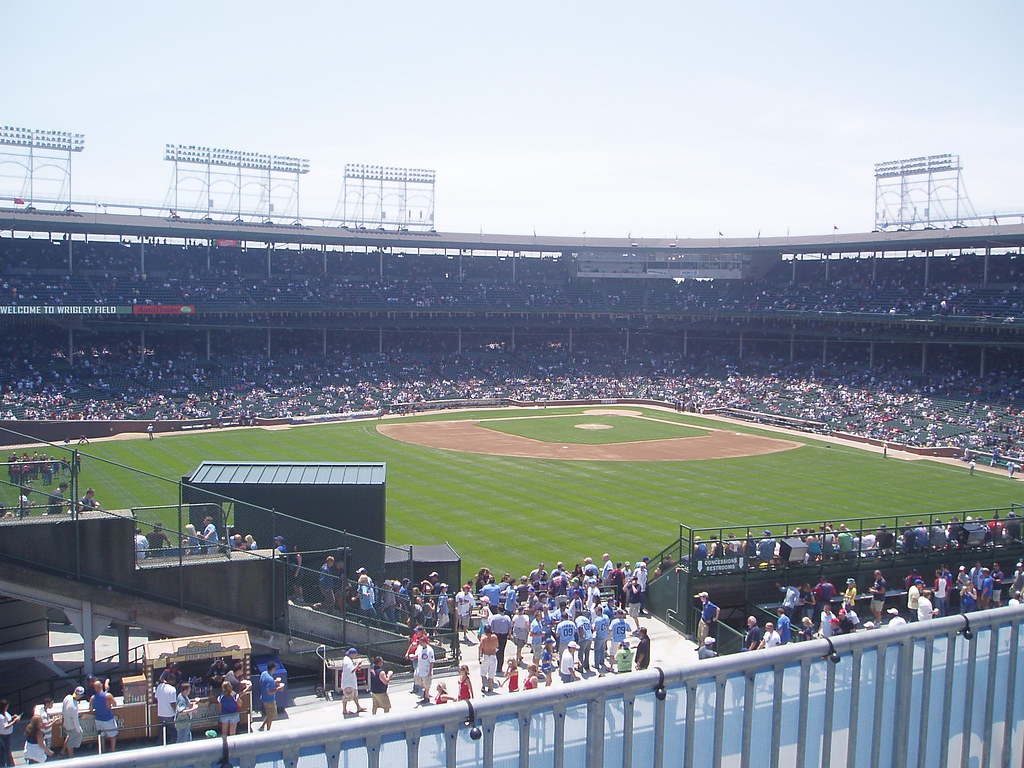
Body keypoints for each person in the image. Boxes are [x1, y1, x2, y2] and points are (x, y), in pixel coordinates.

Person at [90, 678, 118, 752]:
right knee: (112, 736)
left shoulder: (92, 698)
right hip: (108, 718)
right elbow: (114, 704)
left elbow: (90, 709)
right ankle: (113, 750)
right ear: (101, 686)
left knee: (101, 736)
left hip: (98, 719)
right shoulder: (108, 695)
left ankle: (102, 750)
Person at [258, 661, 285, 731]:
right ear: (272, 669)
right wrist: (278, 689)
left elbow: (264, 683)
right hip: (269, 700)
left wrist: (275, 682)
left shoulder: (264, 674)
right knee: (271, 716)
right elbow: (269, 692)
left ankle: (262, 726)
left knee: (269, 714)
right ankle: (268, 730)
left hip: (264, 698)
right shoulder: (270, 679)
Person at [60, 686, 85, 759]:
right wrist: (78, 730)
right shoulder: (73, 707)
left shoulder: (67, 697)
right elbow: (75, 721)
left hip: (66, 724)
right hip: (72, 727)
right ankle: (71, 759)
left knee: (69, 737)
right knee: (70, 745)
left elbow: (63, 710)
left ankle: (62, 752)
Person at [339, 648, 365, 714]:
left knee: (355, 696)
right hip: (348, 683)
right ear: (352, 654)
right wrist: (357, 664)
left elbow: (353, 669)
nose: (356, 656)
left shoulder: (349, 659)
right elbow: (352, 670)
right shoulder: (347, 661)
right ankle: (344, 710)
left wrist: (357, 666)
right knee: (347, 697)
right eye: (355, 654)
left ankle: (358, 707)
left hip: (352, 682)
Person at [411, 635, 435, 705]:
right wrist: (413, 657)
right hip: (420, 669)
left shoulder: (430, 650)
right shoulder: (420, 648)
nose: (420, 644)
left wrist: (430, 672)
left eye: (421, 642)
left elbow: (431, 662)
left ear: (424, 642)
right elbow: (418, 655)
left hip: (426, 670)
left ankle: (426, 698)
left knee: (427, 685)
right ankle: (425, 693)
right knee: (417, 681)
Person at [155, 676, 179, 744]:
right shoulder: (172, 689)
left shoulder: (160, 686)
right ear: (173, 681)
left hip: (161, 712)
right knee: (173, 730)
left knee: (162, 729)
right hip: (170, 713)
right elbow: (172, 703)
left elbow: (156, 698)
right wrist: (176, 711)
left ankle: (160, 742)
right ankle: (173, 743)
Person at [479, 626, 500, 693]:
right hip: (493, 656)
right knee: (491, 673)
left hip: (485, 656)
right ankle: (490, 687)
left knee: (483, 672)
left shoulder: (483, 637)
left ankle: (483, 686)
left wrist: (479, 656)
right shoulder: (495, 637)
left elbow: (480, 647)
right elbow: (497, 645)